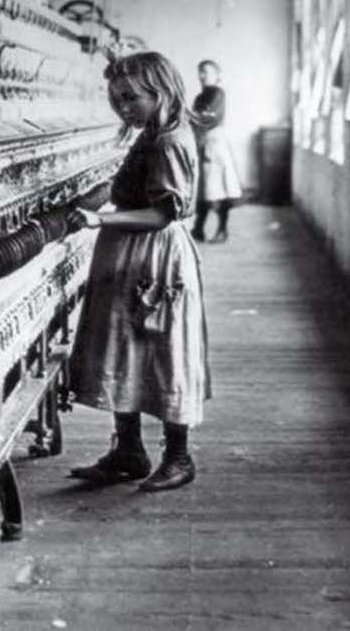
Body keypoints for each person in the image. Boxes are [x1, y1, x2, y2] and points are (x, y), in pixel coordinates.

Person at [65, 51, 211, 492]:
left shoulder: (168, 141)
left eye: (131, 98)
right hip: (131, 254)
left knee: (163, 350)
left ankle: (179, 457)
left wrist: (99, 220)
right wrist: (88, 199)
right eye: (116, 99)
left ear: (160, 91)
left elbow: (164, 214)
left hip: (154, 256)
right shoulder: (153, 134)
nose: (123, 107)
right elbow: (128, 188)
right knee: (125, 347)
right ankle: (128, 451)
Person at [191, 59, 243, 243]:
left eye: (206, 71)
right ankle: (198, 228)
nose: (202, 76)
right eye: (200, 72)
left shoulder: (218, 93)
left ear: (217, 75)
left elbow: (207, 118)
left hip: (215, 142)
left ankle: (222, 229)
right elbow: (197, 119)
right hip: (202, 142)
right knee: (203, 188)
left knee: (220, 187)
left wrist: (193, 119)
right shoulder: (200, 97)